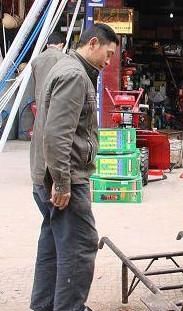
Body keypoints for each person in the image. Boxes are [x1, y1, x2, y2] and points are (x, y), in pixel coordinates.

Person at [29, 24, 119, 311]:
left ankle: (44, 306)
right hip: (65, 180)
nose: (108, 62)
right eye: (108, 54)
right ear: (93, 43)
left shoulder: (67, 68)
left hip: (48, 176)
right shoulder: (74, 75)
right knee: (80, 247)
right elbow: (57, 134)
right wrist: (63, 182)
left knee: (54, 247)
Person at [31, 32, 65, 106]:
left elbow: (35, 81)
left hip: (40, 101)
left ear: (47, 45)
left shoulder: (35, 60)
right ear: (61, 45)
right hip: (57, 101)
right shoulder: (64, 58)